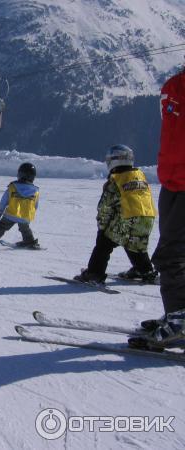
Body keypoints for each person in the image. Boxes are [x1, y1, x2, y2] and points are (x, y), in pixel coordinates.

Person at [130, 67, 185, 349]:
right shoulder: (175, 85)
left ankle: (180, 324)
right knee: (174, 253)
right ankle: (178, 316)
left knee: (172, 255)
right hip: (173, 180)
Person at [74, 145, 156, 284]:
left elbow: (105, 207)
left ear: (113, 161)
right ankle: (144, 270)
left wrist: (102, 227)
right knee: (134, 242)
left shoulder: (116, 180)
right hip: (148, 218)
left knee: (104, 242)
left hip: (129, 218)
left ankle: (94, 273)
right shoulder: (139, 176)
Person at [0, 163, 40, 251]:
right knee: (25, 229)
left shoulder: (12, 187)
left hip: (11, 214)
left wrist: (0, 211)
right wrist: (29, 215)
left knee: (1, 228)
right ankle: (30, 242)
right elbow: (35, 205)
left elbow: (4, 200)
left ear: (20, 174)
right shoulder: (35, 191)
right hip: (25, 216)